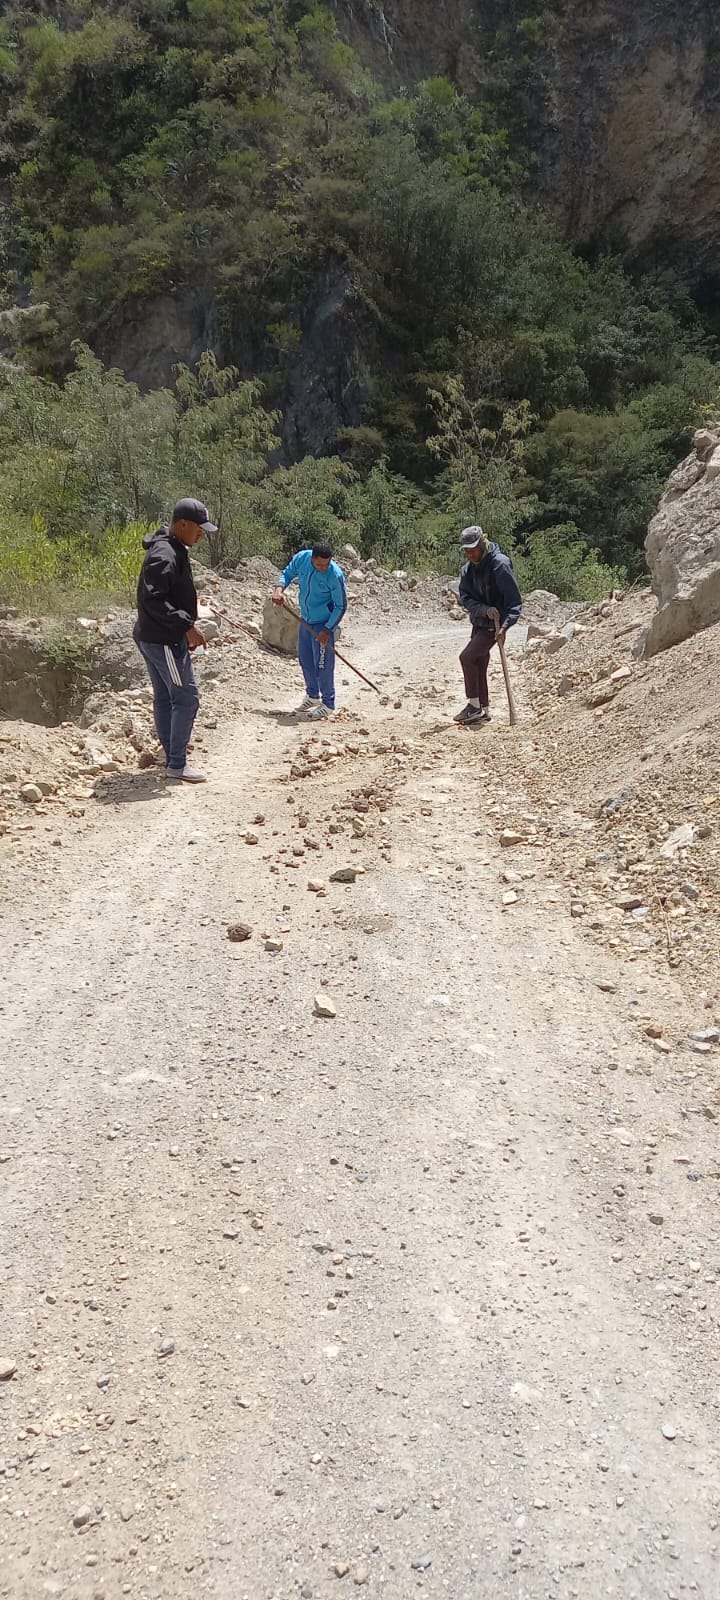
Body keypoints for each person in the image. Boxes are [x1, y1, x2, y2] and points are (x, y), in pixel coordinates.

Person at [134, 497, 218, 783]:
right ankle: (177, 764)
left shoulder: (172, 546)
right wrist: (186, 626)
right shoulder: (164, 554)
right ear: (183, 524)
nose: (201, 534)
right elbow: (153, 600)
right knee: (186, 697)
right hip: (163, 639)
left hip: (156, 635)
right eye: (198, 528)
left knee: (165, 696)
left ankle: (172, 757)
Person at [454, 525, 522, 726]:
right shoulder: (467, 570)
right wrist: (484, 609)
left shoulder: (500, 565)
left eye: (473, 549)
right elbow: (466, 597)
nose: (470, 554)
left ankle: (474, 706)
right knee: (478, 661)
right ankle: (483, 709)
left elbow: (514, 602)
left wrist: (505, 626)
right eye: (466, 550)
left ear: (482, 544)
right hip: (480, 621)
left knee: (467, 657)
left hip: (495, 624)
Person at [272, 541, 348, 719]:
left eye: (326, 564)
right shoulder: (302, 559)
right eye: (319, 564)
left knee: (322, 664)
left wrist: (327, 630)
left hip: (323, 624)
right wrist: (279, 589)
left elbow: (341, 606)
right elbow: (287, 573)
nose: (323, 568)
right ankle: (312, 695)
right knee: (305, 660)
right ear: (312, 558)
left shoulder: (335, 575)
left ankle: (328, 703)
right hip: (305, 620)